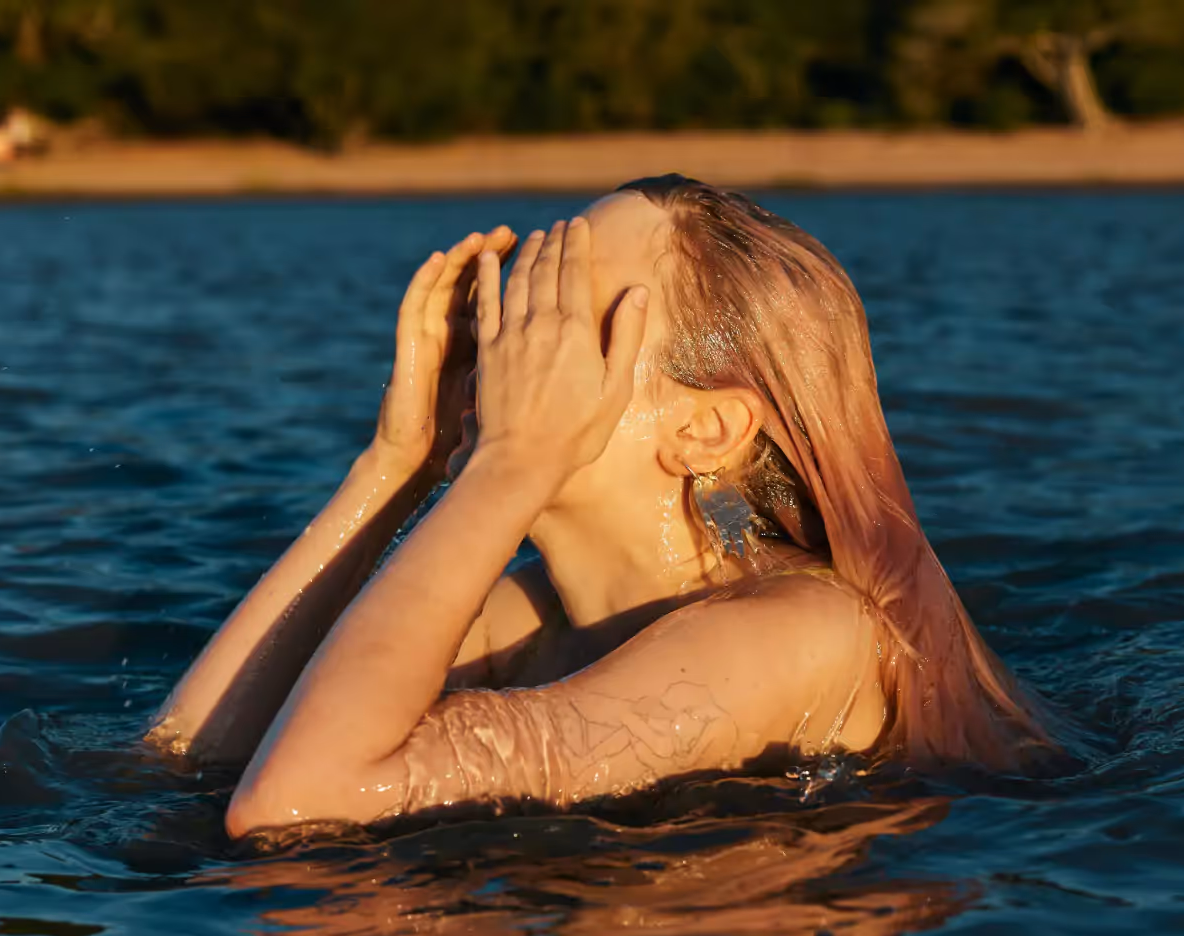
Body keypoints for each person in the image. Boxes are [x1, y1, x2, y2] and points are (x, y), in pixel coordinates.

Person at [147, 175, 1054, 838]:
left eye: (562, 316)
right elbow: (196, 756)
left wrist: (506, 466)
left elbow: (297, 801)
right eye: (521, 299)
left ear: (705, 429)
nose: (511, 340)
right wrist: (397, 468)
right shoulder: (532, 615)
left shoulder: (802, 629)